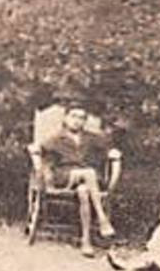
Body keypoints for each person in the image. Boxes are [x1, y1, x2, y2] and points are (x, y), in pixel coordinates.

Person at [34, 103, 117, 257]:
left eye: (81, 118)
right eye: (73, 116)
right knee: (90, 173)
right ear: (66, 118)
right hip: (65, 176)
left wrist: (113, 152)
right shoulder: (57, 137)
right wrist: (34, 150)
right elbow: (40, 149)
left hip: (86, 181)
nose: (77, 120)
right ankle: (102, 218)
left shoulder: (91, 137)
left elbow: (107, 147)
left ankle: (86, 242)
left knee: (83, 192)